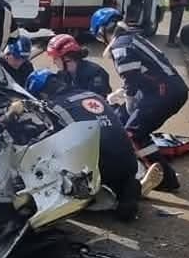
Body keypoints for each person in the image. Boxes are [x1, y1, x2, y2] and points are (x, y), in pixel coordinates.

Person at [90, 7, 189, 192]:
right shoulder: (131, 38)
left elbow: (132, 81)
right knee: (128, 123)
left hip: (163, 92)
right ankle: (151, 169)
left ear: (103, 31)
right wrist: (122, 93)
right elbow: (144, 72)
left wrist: (127, 98)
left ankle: (165, 179)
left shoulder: (120, 47)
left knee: (133, 134)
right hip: (163, 89)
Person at [26, 70, 144, 219]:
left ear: (42, 94)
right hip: (129, 160)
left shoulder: (53, 107)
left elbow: (46, 140)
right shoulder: (91, 94)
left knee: (47, 157)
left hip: (99, 168)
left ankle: (90, 195)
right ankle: (126, 191)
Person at [46, 33, 111, 96]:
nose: (54, 62)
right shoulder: (62, 74)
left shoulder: (95, 73)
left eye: (55, 58)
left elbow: (97, 99)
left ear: (66, 58)